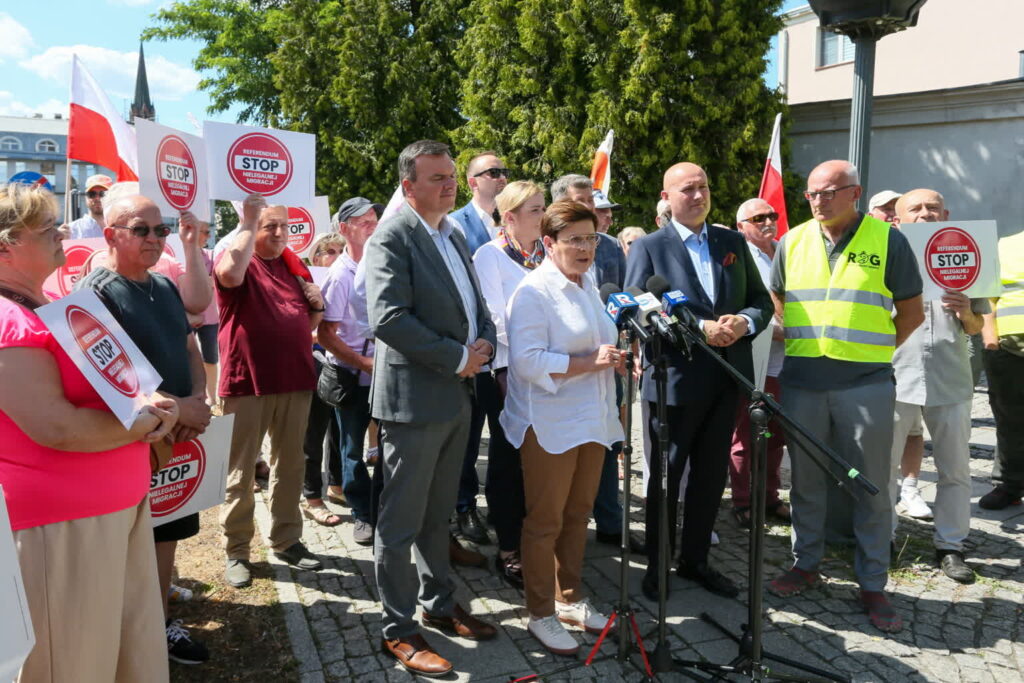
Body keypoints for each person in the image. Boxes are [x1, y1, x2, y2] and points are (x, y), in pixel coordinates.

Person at [0, 184, 178, 682]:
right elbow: (55, 427)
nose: (61, 233)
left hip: (112, 511)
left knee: (122, 656)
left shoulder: (52, 302)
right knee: (72, 663)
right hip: (61, 529)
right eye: (45, 228)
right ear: (5, 246)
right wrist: (144, 424)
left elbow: (119, 388)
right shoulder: (6, 319)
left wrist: (150, 402)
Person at [767, 160, 924, 633]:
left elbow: (911, 313)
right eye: (812, 194)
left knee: (871, 484)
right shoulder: (791, 242)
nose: (819, 201)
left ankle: (872, 581)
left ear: (855, 193)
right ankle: (806, 563)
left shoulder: (888, 240)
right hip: (802, 382)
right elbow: (780, 300)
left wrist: (872, 352)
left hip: (866, 384)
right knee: (807, 480)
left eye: (830, 192)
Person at [364, 140, 498, 677]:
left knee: (438, 515)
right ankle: (398, 629)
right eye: (438, 177)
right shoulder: (391, 237)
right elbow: (389, 318)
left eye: (451, 176)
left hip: (456, 397)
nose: (451, 185)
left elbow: (474, 304)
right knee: (400, 523)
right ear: (408, 186)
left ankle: (439, 603)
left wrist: (483, 340)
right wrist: (459, 357)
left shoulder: (455, 233)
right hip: (414, 402)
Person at [626, 162, 773, 601]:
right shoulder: (650, 247)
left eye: (703, 187)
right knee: (667, 477)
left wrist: (744, 323)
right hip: (673, 380)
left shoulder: (731, 241)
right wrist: (699, 329)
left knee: (711, 476)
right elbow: (637, 306)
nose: (698, 195)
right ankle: (658, 563)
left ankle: (695, 561)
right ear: (667, 196)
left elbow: (760, 302)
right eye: (687, 189)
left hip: (727, 377)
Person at [78, 194, 213, 664]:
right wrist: (183, 410)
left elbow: (188, 344)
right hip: (134, 440)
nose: (156, 239)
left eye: (161, 230)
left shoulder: (164, 285)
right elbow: (106, 380)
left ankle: (157, 623)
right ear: (111, 233)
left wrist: (199, 397)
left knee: (165, 531)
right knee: (132, 539)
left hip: (175, 435)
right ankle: (133, 634)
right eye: (142, 230)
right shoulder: (95, 293)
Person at [501, 199, 624, 655]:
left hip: (592, 418)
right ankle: (539, 613)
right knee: (545, 521)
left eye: (590, 237)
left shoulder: (589, 284)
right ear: (549, 243)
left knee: (578, 515)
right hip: (549, 423)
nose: (585, 247)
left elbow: (600, 343)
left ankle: (569, 596)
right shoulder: (534, 292)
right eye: (574, 239)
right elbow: (527, 362)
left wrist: (614, 359)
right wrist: (588, 361)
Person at [215, 193, 325, 587]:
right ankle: (238, 551)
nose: (280, 234)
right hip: (247, 382)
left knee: (291, 464)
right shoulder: (239, 258)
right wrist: (246, 224)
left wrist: (316, 303)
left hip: (295, 378)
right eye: (270, 226)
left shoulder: (295, 267)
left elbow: (309, 320)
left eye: (285, 226)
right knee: (240, 471)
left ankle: (287, 539)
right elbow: (228, 278)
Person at [887, 189, 985, 584]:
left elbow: (978, 326)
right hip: (897, 373)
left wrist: (966, 312)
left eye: (933, 208)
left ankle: (950, 545)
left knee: (955, 468)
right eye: (916, 208)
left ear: (946, 214)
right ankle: (883, 538)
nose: (925, 213)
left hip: (950, 375)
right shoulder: (887, 259)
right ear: (898, 219)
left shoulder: (967, 259)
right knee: (883, 465)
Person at [471, 180, 546, 588]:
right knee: (508, 461)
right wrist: (538, 347)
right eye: (535, 210)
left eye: (543, 208)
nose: (543, 215)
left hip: (548, 373)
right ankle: (508, 547)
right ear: (510, 217)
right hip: (504, 373)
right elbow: (495, 320)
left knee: (541, 457)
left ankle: (538, 537)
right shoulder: (490, 256)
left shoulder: (547, 253)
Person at [551, 173, 627, 549]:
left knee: (608, 444)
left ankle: (611, 523)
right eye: (583, 202)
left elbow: (624, 300)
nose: (592, 209)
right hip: (565, 375)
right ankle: (565, 529)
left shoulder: (610, 247)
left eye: (594, 203)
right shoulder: (544, 251)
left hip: (608, 366)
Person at [450, 152, 510, 546]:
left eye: (504, 171)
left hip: (506, 355)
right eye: (492, 172)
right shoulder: (457, 225)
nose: (502, 177)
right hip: (471, 351)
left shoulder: (519, 225)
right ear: (472, 182)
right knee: (469, 439)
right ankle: (464, 507)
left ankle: (502, 505)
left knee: (505, 437)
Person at [316, 197, 380, 546]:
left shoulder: (381, 264)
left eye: (373, 219)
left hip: (384, 374)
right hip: (354, 377)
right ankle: (362, 515)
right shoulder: (340, 275)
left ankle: (383, 505)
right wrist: (363, 363)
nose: (372, 225)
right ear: (343, 230)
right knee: (353, 449)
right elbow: (325, 334)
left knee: (387, 446)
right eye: (362, 222)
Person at [728, 198, 791, 529]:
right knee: (746, 435)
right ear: (742, 226)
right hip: (756, 362)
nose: (768, 221)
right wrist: (785, 331)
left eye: (772, 215)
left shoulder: (787, 249)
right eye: (758, 217)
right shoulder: (739, 259)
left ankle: (769, 497)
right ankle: (741, 501)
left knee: (776, 437)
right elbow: (746, 310)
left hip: (789, 363)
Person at [301, 230, 347, 528]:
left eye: (340, 251)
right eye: (330, 251)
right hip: (314, 364)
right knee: (314, 432)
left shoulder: (348, 279)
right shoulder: (305, 285)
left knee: (340, 430)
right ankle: (311, 496)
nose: (336, 256)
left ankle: (338, 484)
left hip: (342, 364)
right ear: (315, 257)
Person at [978, 228, 1024, 509]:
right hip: (1006, 349)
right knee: (1009, 422)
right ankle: (1009, 484)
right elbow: (987, 295)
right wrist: (990, 339)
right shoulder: (1005, 245)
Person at [449, 150, 509, 255]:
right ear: (473, 183)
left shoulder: (516, 217)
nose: (503, 178)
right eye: (494, 173)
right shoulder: (454, 224)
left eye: (505, 173)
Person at [67, 174, 113, 239]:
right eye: (92, 194)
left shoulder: (122, 228)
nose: (97, 198)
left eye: (103, 194)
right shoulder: (71, 230)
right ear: (86, 197)